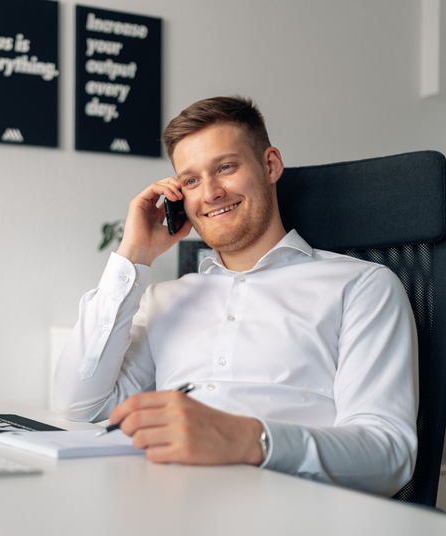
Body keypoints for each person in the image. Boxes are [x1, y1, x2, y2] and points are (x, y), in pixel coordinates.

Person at [53, 96, 418, 496]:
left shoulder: (361, 287)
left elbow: (389, 456)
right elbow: (78, 404)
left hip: (292, 520)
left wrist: (246, 440)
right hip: (164, 505)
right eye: (190, 180)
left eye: (225, 167)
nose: (210, 193)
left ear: (270, 165)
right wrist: (133, 255)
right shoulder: (165, 300)